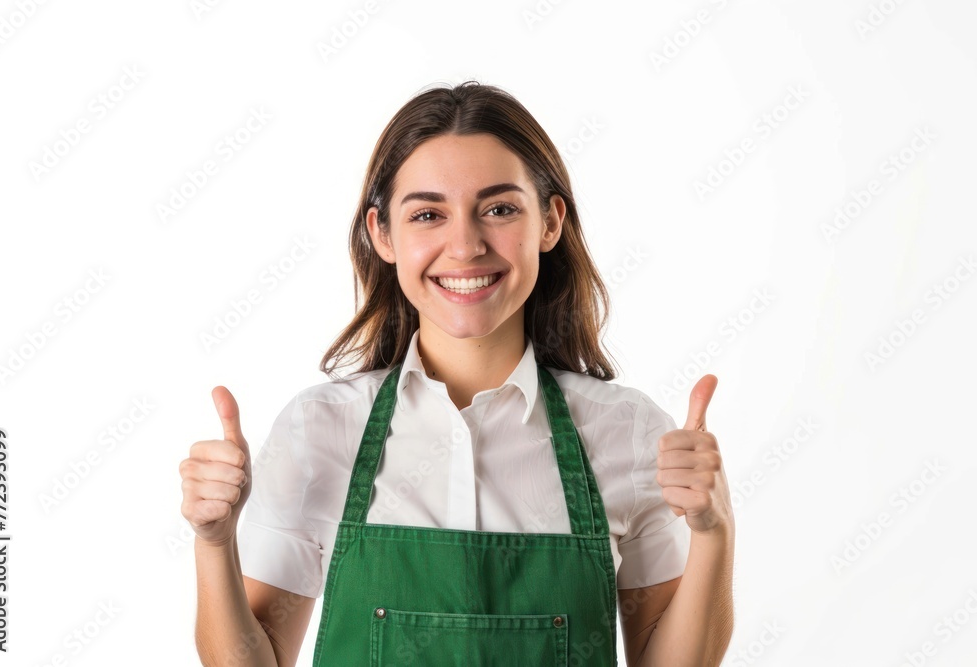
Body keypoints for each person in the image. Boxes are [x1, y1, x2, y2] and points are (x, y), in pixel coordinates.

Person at [180, 80, 735, 666]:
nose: (465, 245)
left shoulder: (627, 432)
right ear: (382, 234)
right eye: (427, 214)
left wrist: (714, 532)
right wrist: (213, 544)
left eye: (498, 209)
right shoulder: (320, 430)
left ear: (549, 223)